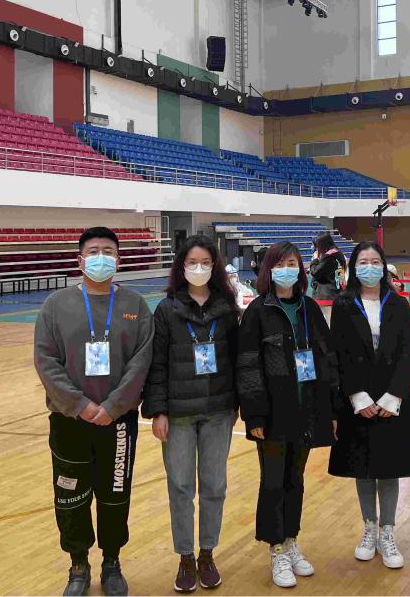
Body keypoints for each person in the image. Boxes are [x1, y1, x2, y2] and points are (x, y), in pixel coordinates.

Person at [33, 226, 154, 597]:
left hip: (118, 422)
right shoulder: (56, 305)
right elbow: (46, 360)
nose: (101, 257)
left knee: (115, 494)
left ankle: (112, 561)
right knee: (70, 495)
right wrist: (80, 404)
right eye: (94, 251)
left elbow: (142, 361)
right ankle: (78, 564)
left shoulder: (136, 305)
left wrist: (114, 406)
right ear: (80, 259)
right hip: (69, 421)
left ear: (119, 259)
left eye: (108, 251)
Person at [236, 241, 339, 588]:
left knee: (296, 479)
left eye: (292, 263)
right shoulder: (257, 312)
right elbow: (248, 367)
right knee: (273, 481)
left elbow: (326, 360)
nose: (286, 269)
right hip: (272, 414)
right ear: (268, 269)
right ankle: (276, 548)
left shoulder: (310, 309)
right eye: (279, 264)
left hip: (306, 410)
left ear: (301, 268)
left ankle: (292, 540)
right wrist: (254, 415)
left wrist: (330, 408)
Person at [143, 235, 241, 592]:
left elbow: (238, 360)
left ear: (214, 267)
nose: (198, 268)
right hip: (179, 415)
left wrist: (237, 405)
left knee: (214, 486)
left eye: (205, 262)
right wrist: (158, 411)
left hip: (218, 412)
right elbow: (157, 364)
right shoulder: (166, 309)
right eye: (192, 262)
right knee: (181, 487)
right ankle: (185, 556)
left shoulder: (226, 308)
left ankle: (207, 553)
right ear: (181, 266)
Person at [328, 242, 410, 570]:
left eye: (375, 261)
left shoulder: (398, 303)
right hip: (359, 402)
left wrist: (393, 396)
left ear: (384, 266)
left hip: (392, 401)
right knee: (363, 469)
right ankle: (369, 528)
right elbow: (338, 353)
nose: (370, 266)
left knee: (389, 468)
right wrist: (357, 397)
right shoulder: (343, 305)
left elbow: (407, 352)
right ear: (354, 267)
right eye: (363, 261)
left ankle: (387, 532)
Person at [309, 233, 346, 313]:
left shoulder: (328, 257)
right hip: (338, 292)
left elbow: (315, 272)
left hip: (326, 297)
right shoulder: (339, 254)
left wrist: (314, 260)